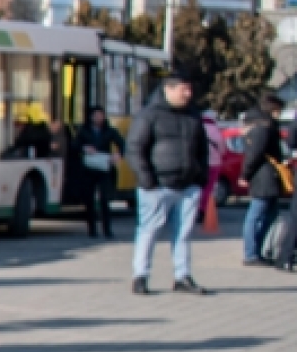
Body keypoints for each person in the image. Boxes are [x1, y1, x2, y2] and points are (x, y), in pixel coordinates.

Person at [127, 71, 211, 295]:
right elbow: (135, 148)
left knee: (183, 233)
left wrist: (200, 177)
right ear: (169, 89)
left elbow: (202, 149)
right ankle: (140, 276)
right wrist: (146, 179)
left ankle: (182, 276)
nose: (188, 93)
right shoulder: (150, 115)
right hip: (157, 186)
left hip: (188, 186)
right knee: (149, 231)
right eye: (184, 89)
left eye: (190, 89)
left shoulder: (193, 116)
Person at [239, 93, 287, 266]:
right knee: (257, 213)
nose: (280, 114)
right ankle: (251, 253)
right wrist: (245, 175)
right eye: (279, 111)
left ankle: (256, 250)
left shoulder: (260, 124)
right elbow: (255, 154)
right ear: (272, 109)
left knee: (270, 214)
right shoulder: (263, 127)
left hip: (266, 175)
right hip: (264, 176)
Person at [73, 105, 125, 239]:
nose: (98, 118)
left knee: (104, 199)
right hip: (89, 168)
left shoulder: (110, 131)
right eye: (96, 115)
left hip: (104, 167)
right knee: (89, 200)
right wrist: (85, 148)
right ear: (91, 117)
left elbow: (122, 143)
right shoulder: (84, 131)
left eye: (101, 115)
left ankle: (107, 229)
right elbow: (75, 145)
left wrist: (118, 155)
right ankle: (92, 229)